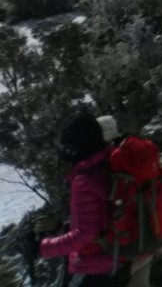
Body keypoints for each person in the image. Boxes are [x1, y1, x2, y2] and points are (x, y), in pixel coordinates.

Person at [37, 112, 126, 287]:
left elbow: (85, 235)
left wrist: (42, 247)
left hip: (95, 266)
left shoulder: (85, 181)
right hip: (121, 258)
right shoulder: (111, 161)